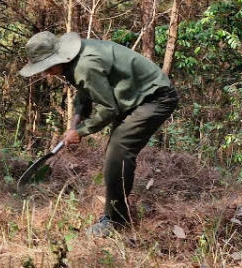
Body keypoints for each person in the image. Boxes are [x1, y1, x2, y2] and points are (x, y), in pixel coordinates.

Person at [19, 31, 179, 236]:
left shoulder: (84, 65)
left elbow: (108, 108)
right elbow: (85, 92)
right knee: (116, 153)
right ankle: (117, 211)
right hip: (135, 98)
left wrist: (82, 131)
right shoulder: (76, 59)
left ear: (59, 57)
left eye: (48, 67)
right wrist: (76, 119)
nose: (47, 73)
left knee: (118, 150)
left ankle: (114, 221)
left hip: (155, 98)